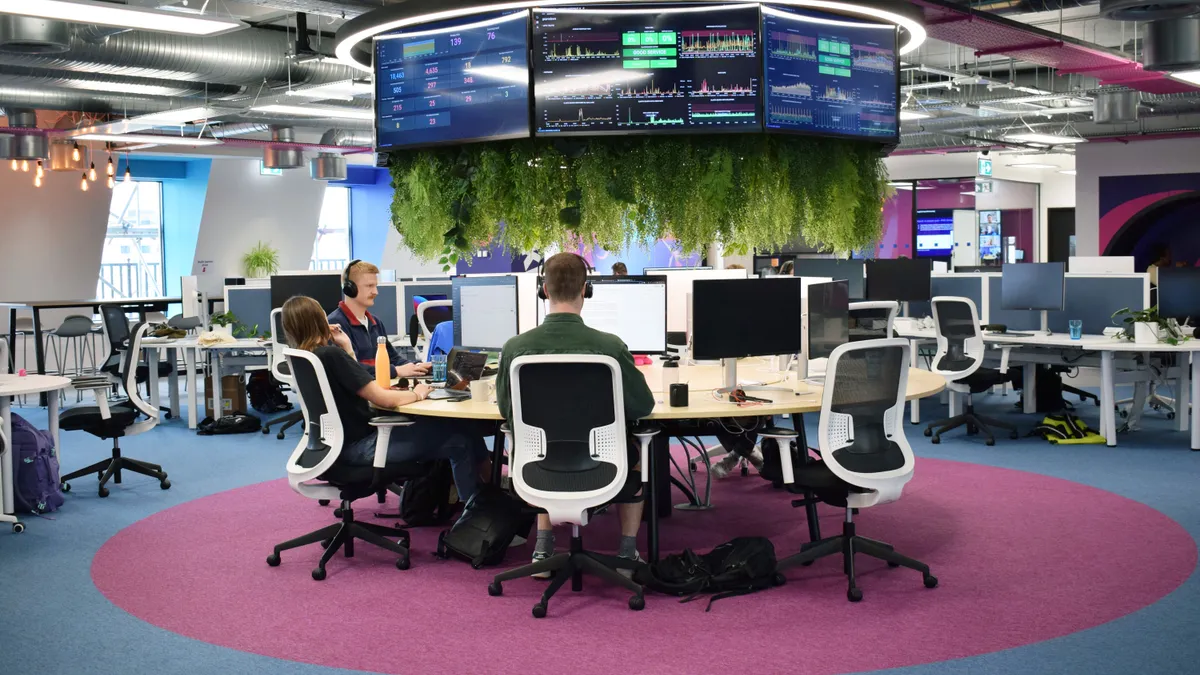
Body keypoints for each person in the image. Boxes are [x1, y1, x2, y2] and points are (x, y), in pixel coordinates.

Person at [497, 252, 654, 574]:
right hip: (603, 465)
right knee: (635, 455)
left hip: (537, 468)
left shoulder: (515, 348)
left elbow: (507, 411)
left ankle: (542, 551)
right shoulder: (610, 346)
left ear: (544, 290)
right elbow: (643, 406)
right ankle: (626, 554)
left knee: (542, 444)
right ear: (586, 290)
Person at [283, 296, 489, 501]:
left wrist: (347, 347)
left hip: (331, 449)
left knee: (452, 431)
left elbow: (354, 379)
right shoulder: (330, 355)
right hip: (360, 448)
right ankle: (473, 513)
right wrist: (418, 393)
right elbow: (383, 399)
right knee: (462, 439)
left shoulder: (306, 357)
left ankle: (479, 500)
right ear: (320, 320)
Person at [328, 260, 430, 379]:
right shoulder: (336, 325)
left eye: (376, 286)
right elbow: (350, 369)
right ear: (349, 289)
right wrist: (395, 371)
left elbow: (393, 358)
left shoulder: (375, 323)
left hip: (380, 388)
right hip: (361, 394)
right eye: (369, 286)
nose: (376, 292)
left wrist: (416, 367)